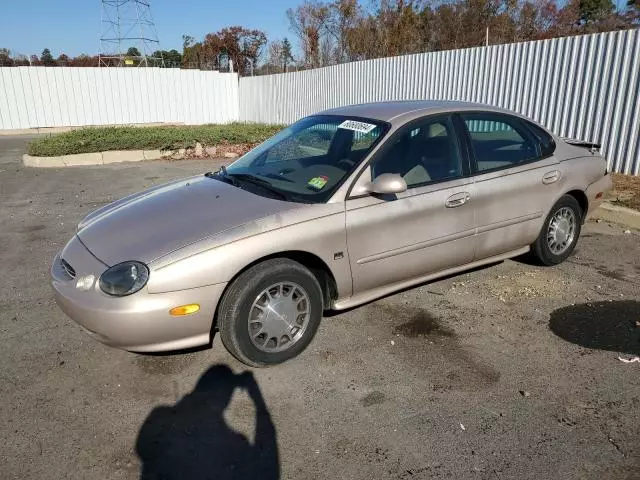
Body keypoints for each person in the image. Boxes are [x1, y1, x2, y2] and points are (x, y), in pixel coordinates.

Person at [136, 364, 279, 480]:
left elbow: (143, 450)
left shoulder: (161, 415)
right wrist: (258, 400)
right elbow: (268, 470)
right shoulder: (235, 444)